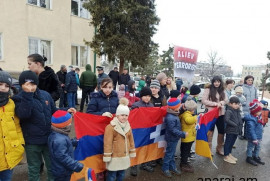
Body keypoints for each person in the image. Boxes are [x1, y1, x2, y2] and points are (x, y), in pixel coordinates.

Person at [12, 70, 76, 181]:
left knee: (52, 167)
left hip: (48, 139)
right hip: (32, 142)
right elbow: (24, 114)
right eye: (27, 84)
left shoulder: (45, 95)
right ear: (21, 85)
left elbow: (53, 111)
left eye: (33, 84)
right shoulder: (18, 98)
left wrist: (66, 110)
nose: (30, 87)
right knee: (34, 169)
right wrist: (28, 95)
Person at [86, 78, 118, 180]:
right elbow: (89, 112)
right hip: (100, 130)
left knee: (111, 149)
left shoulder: (115, 98)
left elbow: (119, 110)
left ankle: (109, 168)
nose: (107, 90)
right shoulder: (95, 98)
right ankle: (101, 170)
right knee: (101, 150)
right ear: (101, 87)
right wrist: (101, 114)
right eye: (105, 87)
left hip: (113, 129)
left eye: (110, 87)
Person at [103, 98, 136, 181]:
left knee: (121, 174)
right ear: (117, 115)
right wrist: (107, 155)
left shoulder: (128, 126)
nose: (124, 117)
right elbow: (107, 142)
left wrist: (132, 151)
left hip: (124, 156)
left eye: (126, 115)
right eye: (122, 115)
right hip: (114, 156)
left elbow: (131, 140)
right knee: (112, 175)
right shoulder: (110, 127)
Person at [0, 71, 25, 181]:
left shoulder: (11, 104)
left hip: (10, 154)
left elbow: (17, 126)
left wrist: (21, 143)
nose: (3, 88)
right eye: (0, 84)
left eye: (6, 85)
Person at [48, 110, 84, 181]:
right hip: (62, 172)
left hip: (60, 169)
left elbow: (63, 145)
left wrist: (74, 142)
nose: (70, 124)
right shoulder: (59, 139)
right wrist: (76, 165)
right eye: (69, 123)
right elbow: (62, 157)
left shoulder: (58, 134)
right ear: (63, 125)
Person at [130, 87, 154, 176]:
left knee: (146, 148)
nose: (147, 98)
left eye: (149, 96)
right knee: (136, 148)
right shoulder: (136, 105)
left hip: (147, 131)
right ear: (141, 96)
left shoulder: (151, 106)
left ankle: (144, 163)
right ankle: (134, 165)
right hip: (138, 131)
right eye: (145, 96)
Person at [202, 76, 228, 155]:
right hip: (211, 113)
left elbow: (226, 99)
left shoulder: (222, 90)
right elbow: (204, 100)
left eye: (218, 82)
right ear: (212, 82)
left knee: (221, 131)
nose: (216, 83)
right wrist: (215, 104)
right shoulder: (208, 89)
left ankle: (219, 148)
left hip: (220, 114)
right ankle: (209, 149)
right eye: (215, 82)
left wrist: (221, 103)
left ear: (220, 82)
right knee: (210, 131)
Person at [162, 98, 186, 178]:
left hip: (174, 138)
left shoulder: (174, 114)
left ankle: (172, 167)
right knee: (169, 154)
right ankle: (165, 169)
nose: (180, 107)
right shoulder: (171, 117)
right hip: (172, 138)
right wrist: (182, 134)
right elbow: (172, 130)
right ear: (175, 107)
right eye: (179, 105)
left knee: (172, 154)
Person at [245, 99, 265, 166]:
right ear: (255, 112)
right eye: (259, 111)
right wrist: (254, 138)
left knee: (258, 147)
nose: (261, 112)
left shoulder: (258, 117)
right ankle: (249, 157)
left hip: (258, 136)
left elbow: (260, 126)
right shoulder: (251, 120)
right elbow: (251, 130)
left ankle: (255, 156)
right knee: (250, 147)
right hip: (253, 137)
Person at [179, 99, 197, 173]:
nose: (194, 110)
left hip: (189, 137)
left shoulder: (189, 114)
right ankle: (183, 163)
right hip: (187, 138)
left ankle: (185, 162)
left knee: (186, 151)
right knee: (185, 151)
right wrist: (197, 117)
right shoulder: (186, 114)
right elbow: (188, 121)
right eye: (193, 109)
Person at [223, 97, 243, 164]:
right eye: (235, 104)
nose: (237, 105)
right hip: (230, 130)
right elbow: (226, 120)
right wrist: (235, 124)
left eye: (238, 104)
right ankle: (226, 156)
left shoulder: (237, 111)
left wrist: (240, 127)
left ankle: (229, 153)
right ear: (230, 104)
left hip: (236, 130)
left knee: (232, 143)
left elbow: (239, 119)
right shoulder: (229, 111)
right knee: (228, 143)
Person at [241, 75, 258, 140]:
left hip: (251, 109)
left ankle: (246, 135)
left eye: (251, 80)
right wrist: (244, 103)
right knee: (241, 123)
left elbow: (256, 98)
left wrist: (255, 105)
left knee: (249, 123)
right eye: (249, 80)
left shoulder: (254, 88)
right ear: (246, 80)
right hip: (243, 108)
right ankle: (240, 134)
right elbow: (240, 97)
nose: (250, 81)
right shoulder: (242, 88)